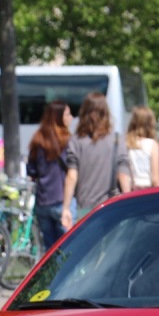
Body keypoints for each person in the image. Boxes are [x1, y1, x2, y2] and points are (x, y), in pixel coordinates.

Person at [61, 92, 131, 231]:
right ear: (106, 113)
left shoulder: (76, 141)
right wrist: (128, 203)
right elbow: (123, 174)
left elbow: (71, 176)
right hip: (112, 206)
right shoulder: (117, 139)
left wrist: (66, 208)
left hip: (85, 209)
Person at [28, 100, 72, 251]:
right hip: (62, 200)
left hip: (42, 202)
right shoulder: (66, 140)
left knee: (50, 250)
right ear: (59, 117)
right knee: (69, 247)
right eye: (67, 114)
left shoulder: (37, 139)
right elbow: (72, 168)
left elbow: (31, 171)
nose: (70, 118)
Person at [125, 105, 159, 189]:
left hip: (133, 190)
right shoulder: (152, 145)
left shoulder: (127, 144)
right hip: (148, 191)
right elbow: (155, 179)